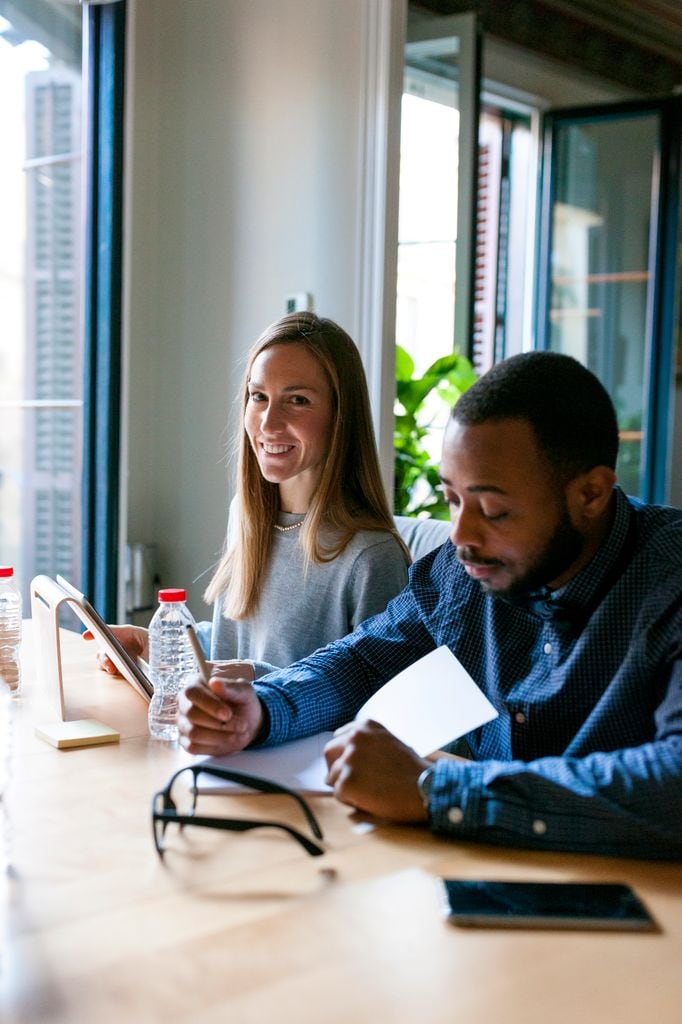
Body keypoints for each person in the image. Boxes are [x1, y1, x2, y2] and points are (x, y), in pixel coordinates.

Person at [179, 351, 682, 861]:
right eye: (453, 500)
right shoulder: (464, 571)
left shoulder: (670, 578)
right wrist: (263, 710)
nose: (461, 537)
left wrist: (436, 789)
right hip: (482, 872)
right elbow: (366, 658)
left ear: (591, 494)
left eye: (493, 510)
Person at [91, 312, 409, 679]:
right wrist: (154, 644)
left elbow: (374, 698)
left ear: (341, 415)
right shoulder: (247, 515)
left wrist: (251, 678)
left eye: (298, 400)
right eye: (258, 396)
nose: (268, 423)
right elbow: (238, 647)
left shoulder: (371, 557)